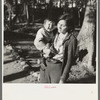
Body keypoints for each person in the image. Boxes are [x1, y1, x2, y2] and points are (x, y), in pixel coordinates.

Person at [40, 14, 77, 83]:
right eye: (59, 24)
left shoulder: (71, 39)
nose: (59, 27)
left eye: (63, 26)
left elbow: (69, 61)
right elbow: (44, 44)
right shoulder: (54, 33)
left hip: (57, 68)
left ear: (69, 27)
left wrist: (63, 78)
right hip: (45, 65)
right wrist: (43, 54)